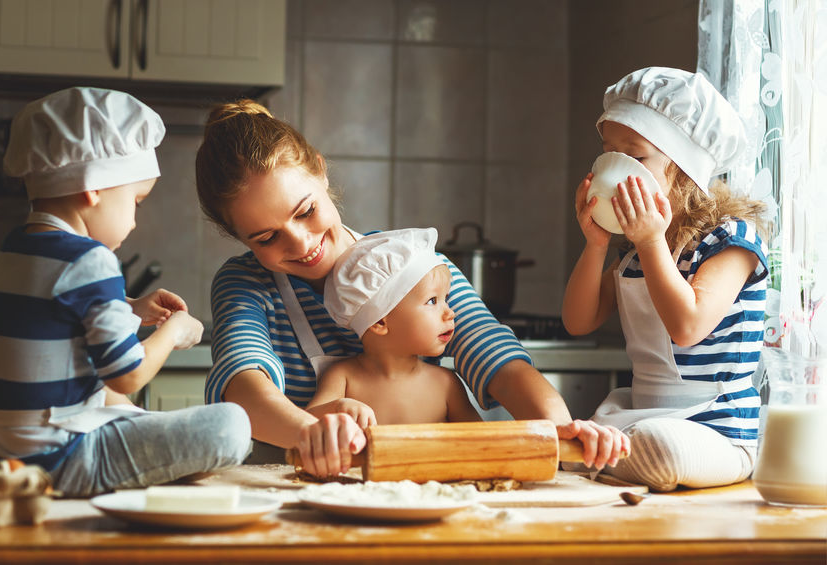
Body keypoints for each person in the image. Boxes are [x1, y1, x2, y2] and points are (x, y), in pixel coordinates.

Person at [195, 100, 628, 479]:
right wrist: (312, 433)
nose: (301, 243)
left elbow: (496, 358)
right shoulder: (246, 284)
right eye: (266, 238)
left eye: (305, 211)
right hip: (296, 491)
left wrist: (557, 426)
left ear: (321, 173)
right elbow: (243, 383)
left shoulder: (414, 262)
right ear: (240, 238)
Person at [0, 87, 251, 497]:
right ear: (94, 190)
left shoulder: (13, 251)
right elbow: (128, 376)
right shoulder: (92, 260)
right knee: (233, 426)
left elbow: (57, 312)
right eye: (136, 201)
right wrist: (173, 332)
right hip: (62, 459)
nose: (136, 221)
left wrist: (132, 309)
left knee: (114, 405)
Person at [562, 67, 770, 491]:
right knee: (593, 433)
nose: (617, 168)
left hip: (718, 434)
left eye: (635, 158)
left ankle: (602, 457)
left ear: (683, 168)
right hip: (643, 416)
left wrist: (651, 240)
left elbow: (687, 326)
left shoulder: (730, 242)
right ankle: (606, 454)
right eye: (608, 154)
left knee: (657, 447)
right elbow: (578, 322)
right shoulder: (635, 255)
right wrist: (596, 245)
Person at [307, 228, 482, 426]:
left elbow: (480, 443)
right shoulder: (343, 377)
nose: (450, 313)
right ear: (380, 322)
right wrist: (337, 407)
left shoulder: (447, 383)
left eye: (446, 299)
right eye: (432, 301)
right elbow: (305, 424)